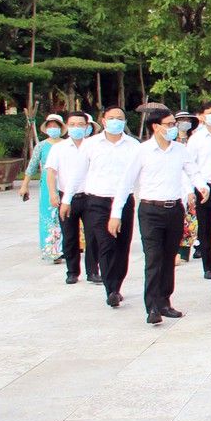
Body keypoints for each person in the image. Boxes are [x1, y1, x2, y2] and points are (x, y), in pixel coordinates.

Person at [110, 109, 209, 325]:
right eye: (170, 124)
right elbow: (125, 183)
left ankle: (165, 301)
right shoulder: (142, 151)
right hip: (150, 211)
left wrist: (201, 186)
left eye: (174, 123)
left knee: (168, 257)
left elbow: (193, 170)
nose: (174, 127)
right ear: (156, 126)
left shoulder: (180, 150)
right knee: (153, 258)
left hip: (174, 210)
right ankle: (152, 306)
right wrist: (115, 214)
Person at [69, 106, 140, 309]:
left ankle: (117, 285)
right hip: (98, 202)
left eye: (120, 118)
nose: (116, 121)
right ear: (103, 120)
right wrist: (67, 199)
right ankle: (110, 289)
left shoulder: (133, 145)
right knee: (106, 244)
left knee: (121, 246)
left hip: (124, 201)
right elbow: (78, 173)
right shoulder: (91, 145)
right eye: (112, 118)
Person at [47, 111, 98, 285]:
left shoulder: (93, 146)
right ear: (67, 127)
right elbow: (51, 172)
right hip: (66, 198)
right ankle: (72, 271)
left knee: (93, 235)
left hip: (90, 196)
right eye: (73, 124)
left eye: (80, 124)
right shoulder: (59, 148)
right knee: (70, 236)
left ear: (87, 127)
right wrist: (53, 194)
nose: (77, 128)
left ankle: (93, 271)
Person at [187, 102, 211, 279]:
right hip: (204, 188)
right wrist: (191, 190)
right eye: (210, 113)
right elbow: (189, 166)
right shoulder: (196, 139)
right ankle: (208, 266)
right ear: (202, 116)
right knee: (205, 229)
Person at [18, 113, 65, 263]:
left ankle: (64, 248)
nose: (53, 128)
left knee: (64, 216)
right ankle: (51, 251)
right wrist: (25, 185)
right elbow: (32, 167)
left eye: (56, 126)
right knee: (48, 216)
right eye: (50, 126)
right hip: (47, 183)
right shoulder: (42, 146)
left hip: (64, 182)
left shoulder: (67, 144)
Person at [173, 111, 199, 265]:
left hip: (192, 183)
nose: (184, 122)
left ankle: (185, 252)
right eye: (181, 120)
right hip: (174, 184)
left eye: (187, 120)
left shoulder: (194, 140)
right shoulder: (171, 140)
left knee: (189, 219)